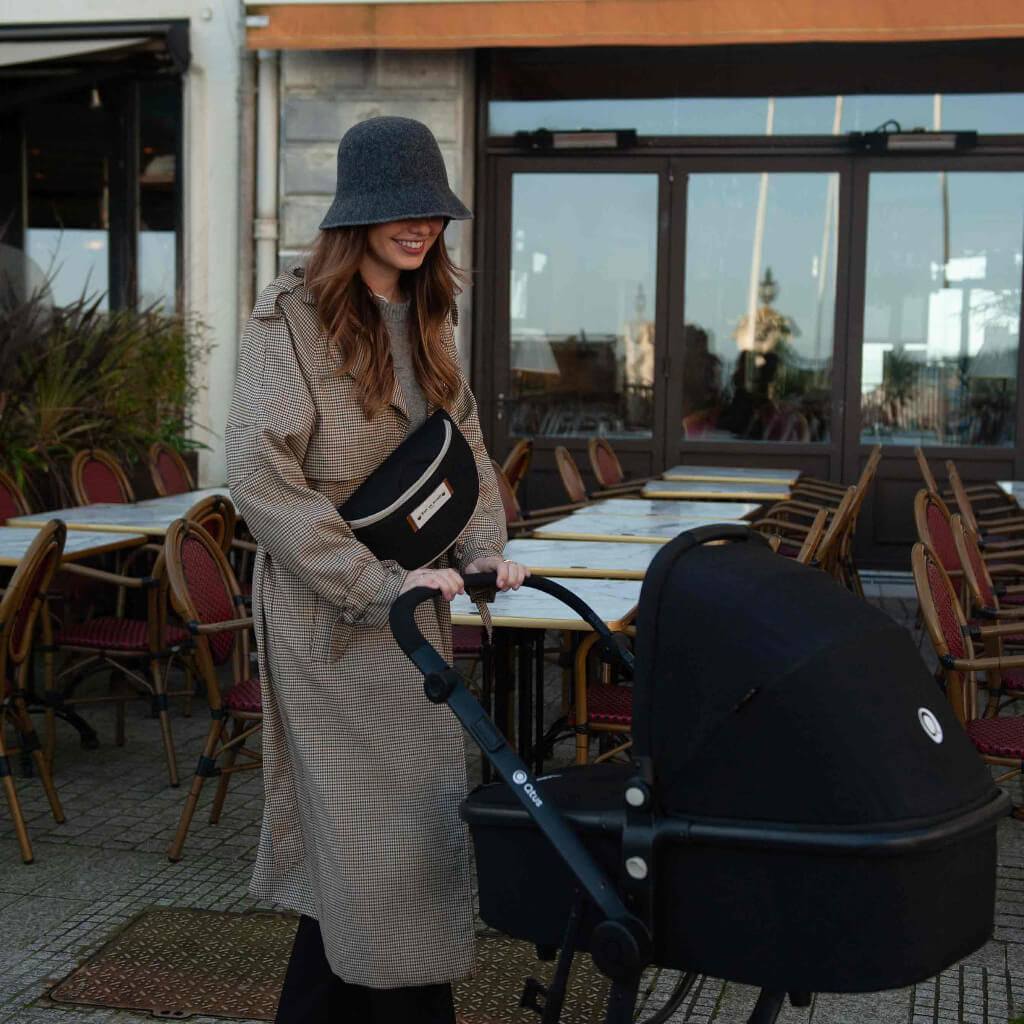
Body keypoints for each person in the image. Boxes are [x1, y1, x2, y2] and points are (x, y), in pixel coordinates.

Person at [226, 116, 529, 1024]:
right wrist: (373, 583)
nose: (419, 227)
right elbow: (257, 473)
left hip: (414, 611)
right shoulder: (294, 323)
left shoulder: (428, 315)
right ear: (355, 214)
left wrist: (483, 550)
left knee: (389, 840)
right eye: (399, 211)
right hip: (331, 617)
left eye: (430, 211)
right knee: (382, 835)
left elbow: (460, 444)